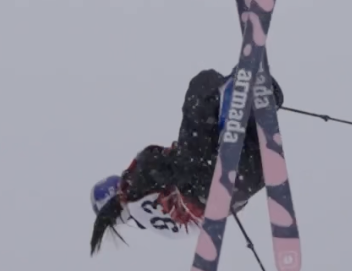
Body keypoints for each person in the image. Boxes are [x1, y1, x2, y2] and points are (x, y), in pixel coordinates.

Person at [90, 67, 284, 254]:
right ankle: (237, 99)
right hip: (207, 180)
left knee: (221, 139)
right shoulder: (134, 193)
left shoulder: (164, 230)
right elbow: (163, 166)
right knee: (201, 89)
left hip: (248, 183)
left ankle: (253, 110)